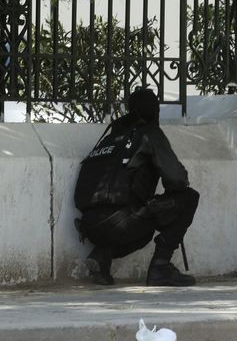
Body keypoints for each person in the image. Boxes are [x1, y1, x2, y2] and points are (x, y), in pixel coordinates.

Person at [73, 88, 200, 287]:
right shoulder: (149, 133)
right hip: (122, 223)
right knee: (189, 198)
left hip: (89, 226)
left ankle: (101, 256)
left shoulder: (111, 137)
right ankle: (161, 267)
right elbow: (177, 180)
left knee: (139, 227)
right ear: (155, 111)